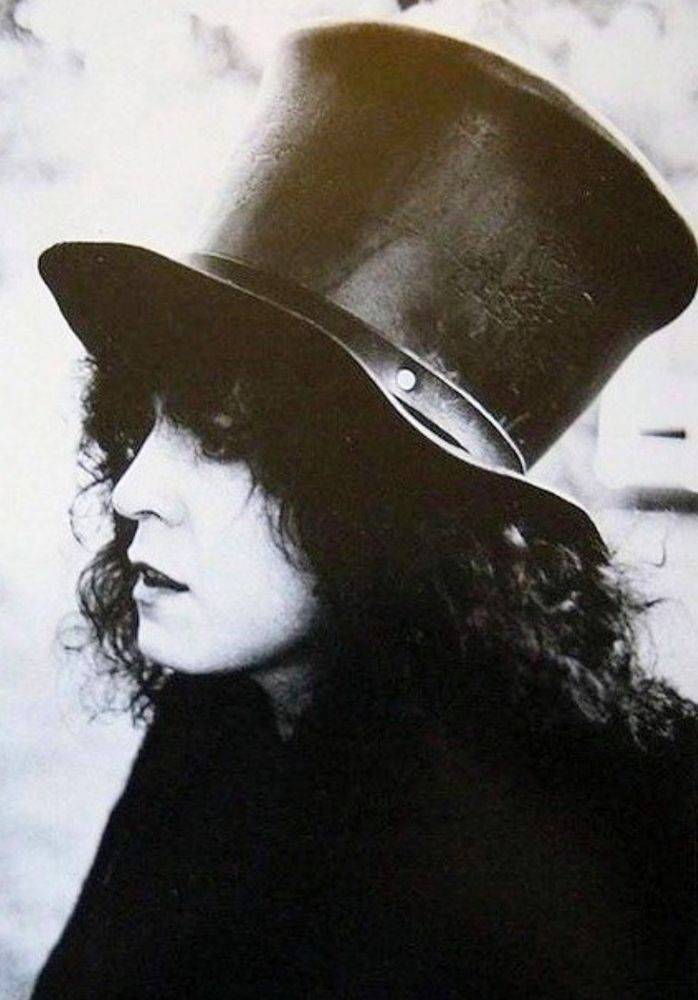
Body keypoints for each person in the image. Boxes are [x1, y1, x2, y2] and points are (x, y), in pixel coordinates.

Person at [32, 21, 697, 1000]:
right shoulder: (233, 702)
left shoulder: (601, 865)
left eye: (225, 437)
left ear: (387, 495)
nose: (133, 492)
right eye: (152, 420)